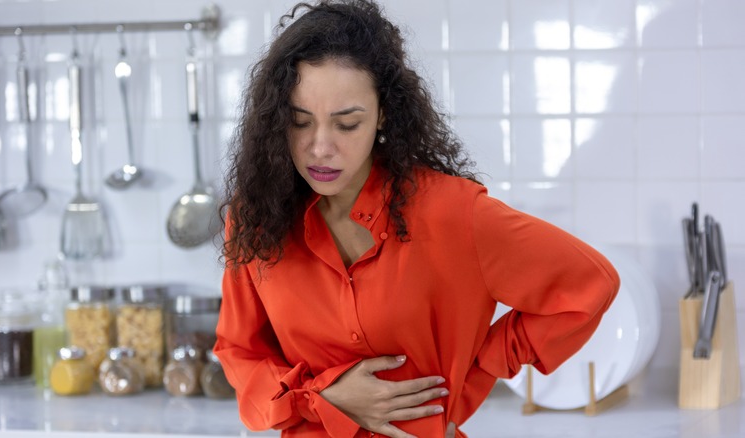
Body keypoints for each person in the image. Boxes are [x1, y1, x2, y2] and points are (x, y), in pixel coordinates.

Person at [213, 1, 619, 437]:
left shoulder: (454, 213)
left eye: (347, 124)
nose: (319, 147)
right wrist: (322, 398)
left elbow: (588, 286)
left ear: (383, 114)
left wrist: (473, 373)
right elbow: (240, 352)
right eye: (299, 122)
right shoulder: (256, 218)